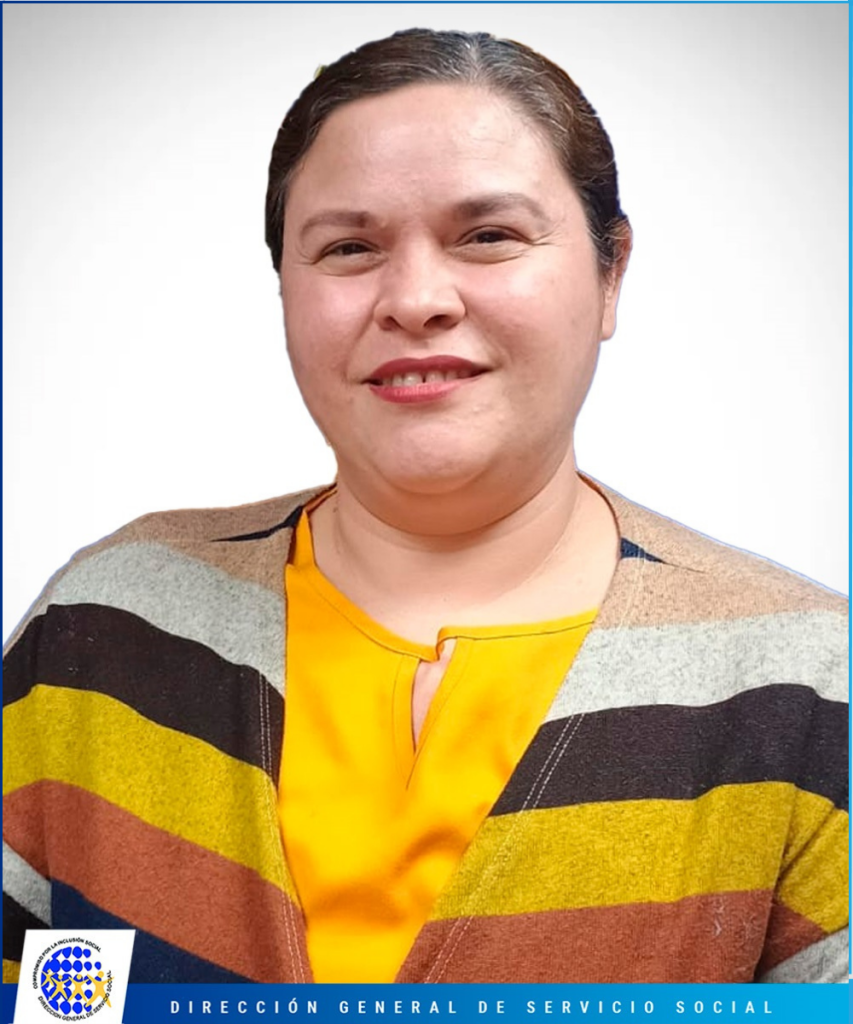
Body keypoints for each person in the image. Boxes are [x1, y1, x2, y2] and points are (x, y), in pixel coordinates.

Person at [2, 28, 847, 987]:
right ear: (284, 290)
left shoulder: (808, 685)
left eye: (487, 236)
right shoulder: (106, 627)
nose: (414, 299)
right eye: (348, 247)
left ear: (610, 271)